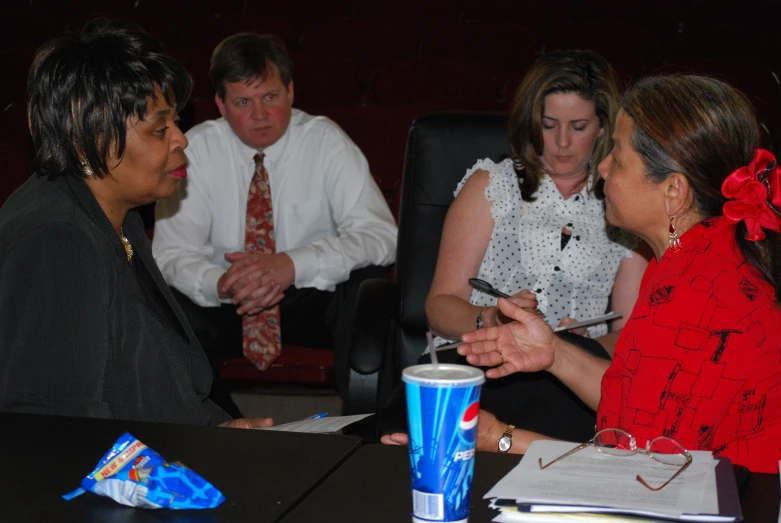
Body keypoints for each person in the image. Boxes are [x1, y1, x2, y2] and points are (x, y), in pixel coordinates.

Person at [458, 75, 781, 473]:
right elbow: (633, 405)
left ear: (673, 192)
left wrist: (500, 439)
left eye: (618, 156)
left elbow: (641, 473)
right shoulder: (685, 258)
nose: (604, 167)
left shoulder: (700, 294)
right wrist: (554, 353)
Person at [0, 19, 271, 429]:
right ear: (88, 137)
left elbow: (147, 386)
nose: (181, 139)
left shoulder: (118, 217)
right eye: (159, 128)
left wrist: (217, 433)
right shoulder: (57, 238)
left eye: (175, 122)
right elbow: (54, 428)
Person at [383, 50, 649, 444]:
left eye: (578, 126)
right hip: (476, 359)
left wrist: (579, 346)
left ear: (603, 128)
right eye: (548, 124)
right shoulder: (492, 185)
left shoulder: (623, 200)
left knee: (579, 432)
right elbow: (439, 306)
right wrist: (489, 318)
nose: (561, 142)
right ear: (531, 121)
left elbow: (628, 331)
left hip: (571, 374)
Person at [152, 33, 397, 402]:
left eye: (270, 96)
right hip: (228, 299)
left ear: (291, 91)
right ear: (220, 104)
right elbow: (170, 254)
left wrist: (290, 264)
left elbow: (381, 236)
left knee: (368, 286)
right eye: (243, 102)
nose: (261, 115)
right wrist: (221, 283)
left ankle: (364, 425)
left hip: (309, 298)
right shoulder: (196, 149)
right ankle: (220, 425)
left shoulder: (324, 140)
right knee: (166, 304)